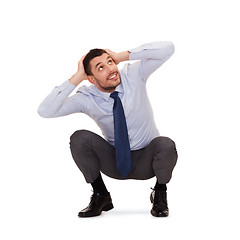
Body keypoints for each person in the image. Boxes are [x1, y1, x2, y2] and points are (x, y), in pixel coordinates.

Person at [38, 41, 178, 218]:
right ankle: (101, 195)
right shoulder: (87, 97)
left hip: (148, 161)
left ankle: (159, 193)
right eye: (100, 67)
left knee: (165, 144)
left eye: (110, 62)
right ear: (91, 78)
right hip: (115, 162)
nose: (111, 69)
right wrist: (77, 77)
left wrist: (121, 56)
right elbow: (45, 111)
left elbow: (168, 48)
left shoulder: (134, 74)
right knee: (79, 138)